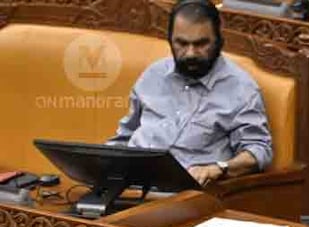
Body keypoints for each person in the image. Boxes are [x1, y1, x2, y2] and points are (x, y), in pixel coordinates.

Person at [109, 0, 274, 186]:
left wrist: (218, 168)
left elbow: (259, 151)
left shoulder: (241, 89)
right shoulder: (153, 75)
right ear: (170, 40)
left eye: (201, 44)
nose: (190, 53)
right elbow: (124, 137)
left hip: (188, 195)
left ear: (219, 40)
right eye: (181, 43)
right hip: (129, 186)